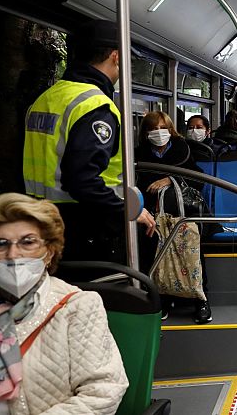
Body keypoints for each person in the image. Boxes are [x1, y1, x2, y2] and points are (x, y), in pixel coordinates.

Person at [22, 19, 156, 264]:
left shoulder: (46, 98)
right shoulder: (94, 106)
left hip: (39, 220)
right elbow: (83, 180)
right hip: (85, 224)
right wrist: (126, 210)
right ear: (116, 56)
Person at [0, 193, 128, 413]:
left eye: (28, 242)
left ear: (49, 252)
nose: (13, 254)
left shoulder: (78, 306)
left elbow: (102, 391)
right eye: (1, 244)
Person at [135, 111, 211, 324]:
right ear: (146, 133)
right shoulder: (139, 154)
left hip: (183, 213)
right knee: (151, 248)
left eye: (163, 128)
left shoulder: (183, 150)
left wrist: (171, 178)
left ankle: (201, 299)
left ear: (170, 130)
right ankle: (163, 298)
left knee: (193, 250)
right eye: (153, 129)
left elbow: (197, 181)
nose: (158, 133)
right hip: (152, 214)